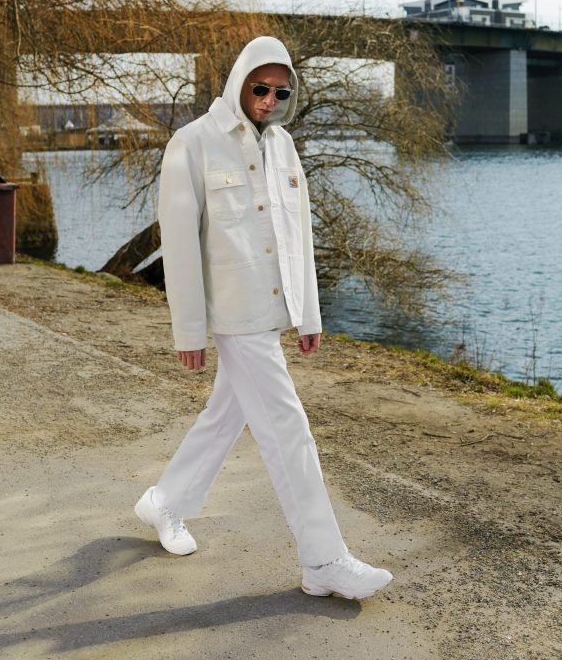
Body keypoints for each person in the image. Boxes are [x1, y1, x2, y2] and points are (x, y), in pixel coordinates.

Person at [134, 36, 393, 601]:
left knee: (225, 417)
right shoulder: (192, 144)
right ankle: (323, 560)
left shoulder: (283, 146)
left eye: (281, 92)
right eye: (260, 88)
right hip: (233, 316)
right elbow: (180, 246)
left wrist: (308, 314)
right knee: (287, 427)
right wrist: (189, 330)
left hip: (271, 311)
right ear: (239, 82)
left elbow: (298, 234)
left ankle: (164, 501)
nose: (269, 100)